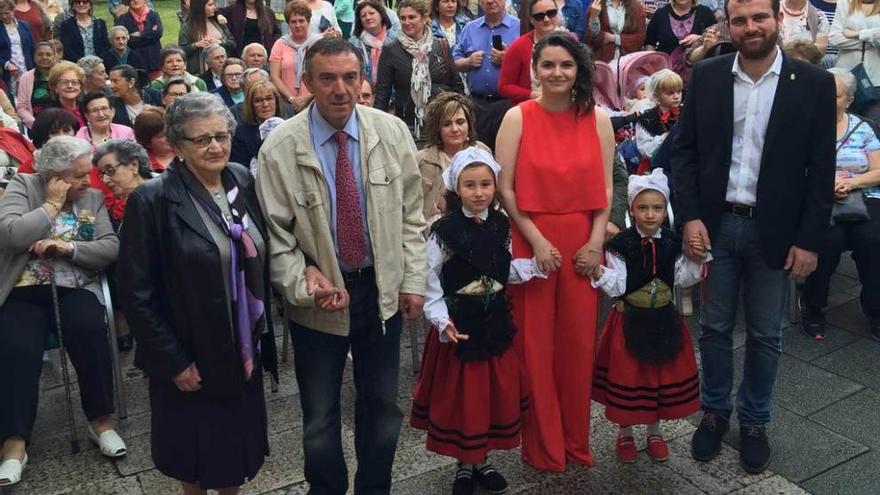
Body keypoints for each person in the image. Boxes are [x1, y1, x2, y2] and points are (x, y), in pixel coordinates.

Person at [255, 36, 426, 495]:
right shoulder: (279, 148)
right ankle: (326, 489)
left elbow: (413, 216)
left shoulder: (391, 133)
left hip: (381, 290)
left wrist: (412, 280)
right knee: (319, 414)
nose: (340, 89)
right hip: (320, 299)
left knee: (382, 407)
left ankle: (375, 488)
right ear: (306, 82)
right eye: (327, 78)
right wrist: (302, 284)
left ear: (362, 79)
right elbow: (277, 235)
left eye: (350, 77)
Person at [671, 0, 836, 474]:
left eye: (759, 17)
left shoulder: (814, 83)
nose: (750, 27)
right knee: (714, 327)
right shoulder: (708, 76)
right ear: (728, 23)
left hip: (776, 231)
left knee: (766, 334)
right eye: (740, 19)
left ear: (776, 19)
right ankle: (715, 411)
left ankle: (756, 420)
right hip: (716, 225)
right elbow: (685, 153)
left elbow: (821, 169)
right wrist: (690, 217)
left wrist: (810, 240)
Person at [117, 92, 277, 495]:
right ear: (177, 145)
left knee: (236, 449)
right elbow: (136, 292)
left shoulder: (240, 177)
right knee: (197, 453)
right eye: (201, 139)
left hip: (241, 342)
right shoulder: (152, 200)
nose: (215, 146)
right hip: (192, 349)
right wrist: (173, 360)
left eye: (221, 135)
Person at [495, 32, 614, 472]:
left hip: (584, 240)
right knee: (535, 347)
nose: (558, 73)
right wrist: (536, 239)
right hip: (533, 240)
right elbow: (505, 189)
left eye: (566, 65)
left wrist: (596, 241)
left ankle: (575, 442)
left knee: (578, 345)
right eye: (548, 65)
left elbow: (604, 190)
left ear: (579, 69)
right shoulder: (518, 117)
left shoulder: (598, 119)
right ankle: (543, 446)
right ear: (535, 69)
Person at [412, 147, 541, 495]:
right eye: (470, 185)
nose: (479, 192)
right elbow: (430, 278)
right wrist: (441, 320)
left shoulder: (501, 224)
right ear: (457, 188)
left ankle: (482, 460)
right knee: (465, 398)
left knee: (489, 395)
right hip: (462, 325)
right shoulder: (445, 230)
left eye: (486, 184)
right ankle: (464, 466)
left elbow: (501, 269)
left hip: (495, 321)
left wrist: (534, 267)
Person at [0, 136, 126, 488]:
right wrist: (51, 207)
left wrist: (68, 248)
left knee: (89, 328)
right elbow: (10, 235)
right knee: (16, 346)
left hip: (75, 286)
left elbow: (109, 247)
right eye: (79, 176)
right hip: (22, 289)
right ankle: (14, 443)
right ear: (54, 176)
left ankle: (100, 421)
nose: (88, 182)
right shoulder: (22, 187)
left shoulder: (94, 198)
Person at [590, 169, 706, 464]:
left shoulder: (671, 241)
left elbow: (681, 278)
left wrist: (696, 258)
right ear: (631, 210)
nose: (650, 214)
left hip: (664, 319)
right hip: (629, 319)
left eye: (657, 208)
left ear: (665, 209)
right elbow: (617, 284)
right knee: (628, 377)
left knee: (657, 378)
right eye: (643, 208)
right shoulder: (621, 245)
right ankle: (625, 432)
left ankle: (655, 430)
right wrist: (599, 272)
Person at [800, 68, 880, 341]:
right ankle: (813, 306)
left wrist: (852, 183)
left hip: (862, 195)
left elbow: (878, 171)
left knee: (871, 239)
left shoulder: (864, 128)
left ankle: (875, 308)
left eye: (833, 95)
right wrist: (823, 186)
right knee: (827, 242)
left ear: (849, 100)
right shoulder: (804, 128)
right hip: (818, 198)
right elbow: (792, 170)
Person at [375, 0, 464, 140]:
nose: (406, 22)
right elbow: (382, 93)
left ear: (424, 18)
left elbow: (456, 86)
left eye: (412, 17)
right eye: (403, 18)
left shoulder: (441, 46)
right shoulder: (391, 50)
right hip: (408, 126)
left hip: (442, 124)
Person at [453, 0, 520, 150]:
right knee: (476, 153)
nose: (490, 1)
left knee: (505, 153)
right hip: (477, 105)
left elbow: (531, 65)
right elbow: (455, 60)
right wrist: (468, 61)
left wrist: (508, 60)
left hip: (507, 105)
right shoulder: (470, 28)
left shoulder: (520, 28)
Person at [417, 91, 490, 224]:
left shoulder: (482, 152)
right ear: (437, 128)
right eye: (447, 124)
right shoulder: (423, 160)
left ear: (469, 124)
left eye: (460, 122)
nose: (455, 129)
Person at [498, 0, 565, 103]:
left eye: (551, 13)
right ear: (531, 19)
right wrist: (531, 95)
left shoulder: (571, 43)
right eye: (539, 16)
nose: (546, 19)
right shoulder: (518, 46)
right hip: (530, 108)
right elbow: (504, 86)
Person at [829, 0, 880, 120]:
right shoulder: (844, 3)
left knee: (875, 128)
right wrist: (872, 42)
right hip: (845, 78)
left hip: (876, 80)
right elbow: (835, 39)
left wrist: (856, 33)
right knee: (840, 124)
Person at [270, 0, 321, 112]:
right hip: (286, 104)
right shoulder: (280, 44)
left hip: (314, 102)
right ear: (288, 23)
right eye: (293, 22)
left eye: (301, 21)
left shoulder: (319, 43)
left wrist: (308, 98)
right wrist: (292, 98)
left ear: (308, 21)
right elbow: (274, 76)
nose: (297, 25)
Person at [645, 0, 716, 79]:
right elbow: (649, 43)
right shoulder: (660, 14)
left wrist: (699, 38)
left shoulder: (705, 12)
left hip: (699, 73)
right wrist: (655, 67)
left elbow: (716, 37)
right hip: (666, 75)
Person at [635, 68, 682, 168]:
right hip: (656, 168)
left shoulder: (686, 111)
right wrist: (664, 137)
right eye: (670, 93)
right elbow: (645, 150)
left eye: (679, 91)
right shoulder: (646, 118)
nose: (676, 96)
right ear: (657, 96)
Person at [230, 79, 281, 166]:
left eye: (269, 98)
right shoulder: (241, 133)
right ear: (250, 104)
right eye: (258, 100)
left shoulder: (287, 126)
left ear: (276, 101)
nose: (265, 104)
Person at [179, 0, 235, 76]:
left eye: (214, 5)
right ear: (200, 7)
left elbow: (233, 44)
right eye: (210, 5)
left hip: (222, 73)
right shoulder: (187, 27)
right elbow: (181, 51)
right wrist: (196, 45)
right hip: (199, 73)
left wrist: (220, 42)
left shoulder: (219, 23)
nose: (214, 8)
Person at [349, 0, 396, 85]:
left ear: (381, 15)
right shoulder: (353, 44)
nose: (368, 17)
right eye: (363, 16)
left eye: (371, 13)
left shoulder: (395, 40)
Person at [115, 0, 163, 77]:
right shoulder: (122, 19)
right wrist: (150, 36)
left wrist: (141, 34)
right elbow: (126, 41)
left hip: (155, 61)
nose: (136, 0)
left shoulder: (154, 15)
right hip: (135, 63)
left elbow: (158, 33)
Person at [15, 40, 53, 129]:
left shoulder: (62, 74)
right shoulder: (26, 77)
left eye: (48, 54)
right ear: (34, 57)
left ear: (54, 56)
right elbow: (21, 107)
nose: (44, 57)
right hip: (36, 125)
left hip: (63, 124)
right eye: (40, 54)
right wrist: (35, 124)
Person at [0, 0, 34, 95]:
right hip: (8, 72)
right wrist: (6, 64)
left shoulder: (24, 25)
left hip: (26, 67)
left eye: (6, 13)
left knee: (28, 94)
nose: (3, 16)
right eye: (0, 14)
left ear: (13, 10)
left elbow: (31, 47)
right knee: (13, 96)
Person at [133, 105, 174, 172]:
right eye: (161, 136)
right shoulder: (143, 165)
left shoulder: (186, 154)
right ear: (147, 142)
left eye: (170, 131)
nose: (169, 136)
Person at [46, 60, 86, 127]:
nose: (70, 86)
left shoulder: (87, 107)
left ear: (80, 86)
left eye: (74, 82)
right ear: (55, 87)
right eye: (64, 82)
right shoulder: (49, 114)